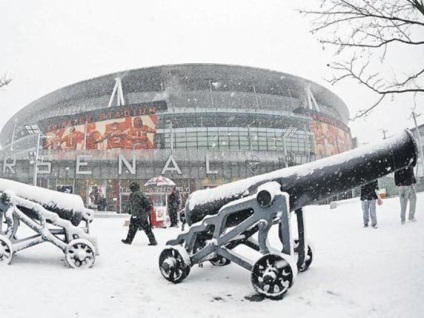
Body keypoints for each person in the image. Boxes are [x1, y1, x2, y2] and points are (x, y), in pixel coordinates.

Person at [122, 181, 157, 245]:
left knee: (133, 228)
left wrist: (133, 213)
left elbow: (135, 205)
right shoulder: (140, 193)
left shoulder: (135, 194)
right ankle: (153, 240)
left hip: (138, 215)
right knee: (146, 228)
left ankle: (129, 240)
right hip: (142, 214)